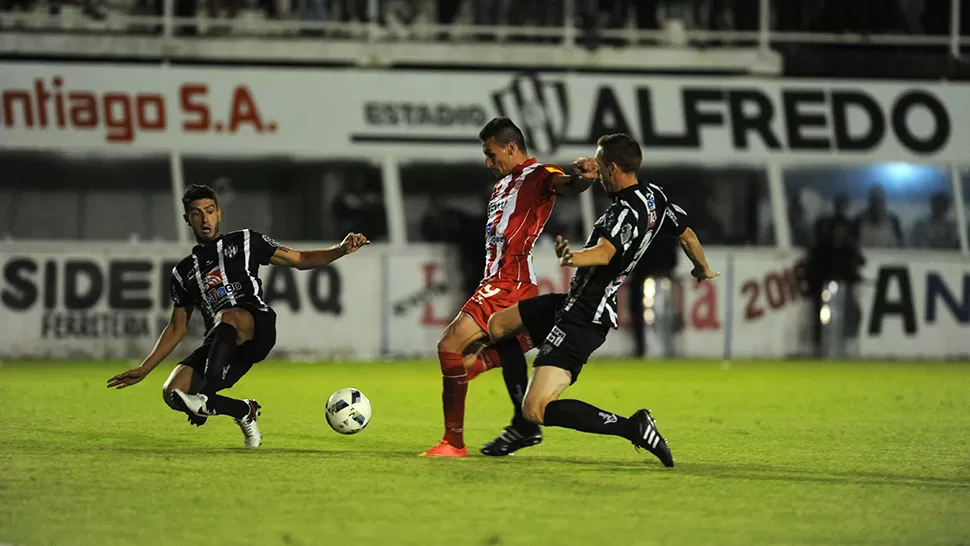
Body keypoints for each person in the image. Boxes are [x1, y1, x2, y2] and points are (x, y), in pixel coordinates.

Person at [481, 133, 719, 464]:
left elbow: (606, 253)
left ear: (612, 168)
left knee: (537, 407)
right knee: (499, 324)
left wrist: (573, 258)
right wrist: (703, 269)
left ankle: (632, 427)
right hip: (573, 303)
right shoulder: (656, 198)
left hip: (584, 316)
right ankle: (523, 424)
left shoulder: (622, 211)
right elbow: (688, 235)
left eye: (600, 165)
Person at [106, 184, 369, 448]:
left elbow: (299, 258)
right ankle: (243, 411)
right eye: (196, 213)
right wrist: (144, 369)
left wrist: (341, 249)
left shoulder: (245, 241)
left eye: (209, 211)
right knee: (173, 392)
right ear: (188, 219)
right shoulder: (182, 272)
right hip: (221, 344)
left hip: (257, 325)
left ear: (219, 214)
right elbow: (176, 327)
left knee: (228, 316)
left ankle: (205, 399)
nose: (204, 218)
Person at [419, 117, 599, 458]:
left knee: (450, 346)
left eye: (491, 153)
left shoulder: (539, 174)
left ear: (511, 147)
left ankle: (453, 443)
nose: (488, 162)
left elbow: (567, 185)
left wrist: (584, 179)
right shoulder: (502, 185)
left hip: (508, 282)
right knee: (496, 350)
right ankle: (522, 423)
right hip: (497, 280)